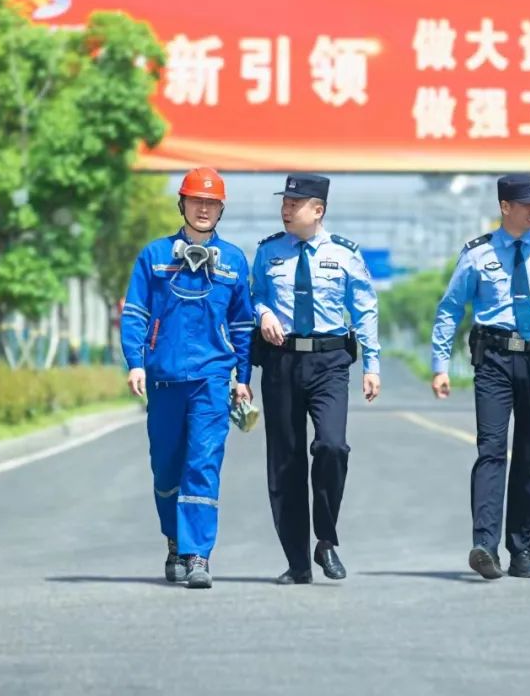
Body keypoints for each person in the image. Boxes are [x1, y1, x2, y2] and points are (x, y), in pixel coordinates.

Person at [430, 174, 530, 580]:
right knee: (492, 449)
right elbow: (450, 308)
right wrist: (440, 365)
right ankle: (484, 545)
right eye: (525, 204)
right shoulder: (477, 255)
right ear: (504, 207)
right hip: (493, 358)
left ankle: (522, 550)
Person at [120, 166, 254, 589]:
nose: (203, 208)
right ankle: (174, 541)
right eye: (196, 201)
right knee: (166, 469)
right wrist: (136, 362)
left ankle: (198, 555)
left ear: (220, 210)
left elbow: (242, 326)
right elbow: (136, 313)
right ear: (182, 204)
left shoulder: (233, 261)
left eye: (211, 203)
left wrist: (242, 377)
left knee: (203, 465)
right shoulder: (154, 257)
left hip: (211, 381)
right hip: (164, 378)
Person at [250, 173, 381, 585]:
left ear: (318, 210)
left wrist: (372, 365)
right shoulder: (268, 252)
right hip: (281, 363)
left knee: (331, 446)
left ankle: (325, 538)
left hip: (329, 362)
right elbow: (253, 295)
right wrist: (263, 312)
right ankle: (298, 562)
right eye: (284, 202)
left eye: (295, 203)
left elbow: (364, 309)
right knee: (285, 463)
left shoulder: (344, 254)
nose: (286, 209)